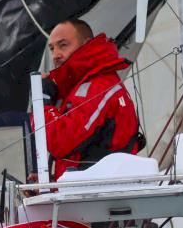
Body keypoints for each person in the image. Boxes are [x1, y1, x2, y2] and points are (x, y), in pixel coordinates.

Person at [39, 19, 142, 179]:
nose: (55, 55)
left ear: (86, 44)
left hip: (100, 190)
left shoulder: (98, 86)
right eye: (52, 48)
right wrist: (51, 181)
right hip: (87, 188)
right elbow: (77, 154)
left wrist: (42, 102)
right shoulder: (79, 86)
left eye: (63, 45)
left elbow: (61, 142)